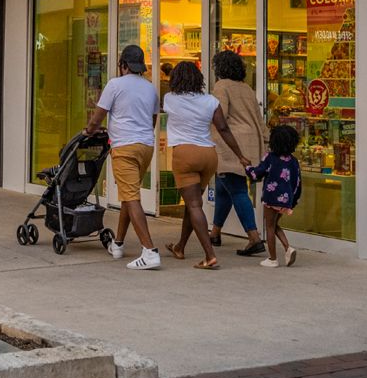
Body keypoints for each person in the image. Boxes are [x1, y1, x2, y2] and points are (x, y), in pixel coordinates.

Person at [163, 60, 250, 270]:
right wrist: (240, 155)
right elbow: (223, 129)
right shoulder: (210, 101)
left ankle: (209, 256)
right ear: (198, 79)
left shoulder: (169, 99)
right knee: (193, 205)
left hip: (185, 154)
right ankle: (180, 246)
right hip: (208, 156)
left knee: (193, 205)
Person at [86, 45, 162, 271]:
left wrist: (89, 130)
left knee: (130, 196)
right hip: (145, 146)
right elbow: (153, 120)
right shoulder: (151, 89)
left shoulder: (115, 85)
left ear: (123, 65)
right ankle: (117, 244)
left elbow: (98, 116)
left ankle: (149, 251)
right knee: (130, 195)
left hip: (124, 147)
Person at [207, 50, 266, 257]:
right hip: (251, 142)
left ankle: (254, 237)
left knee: (237, 189)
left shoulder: (221, 86)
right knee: (224, 187)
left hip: (231, 144)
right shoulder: (246, 88)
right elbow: (258, 119)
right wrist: (265, 142)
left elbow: (219, 115)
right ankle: (215, 232)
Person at [249, 123, 302, 267]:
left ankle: (272, 258)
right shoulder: (294, 161)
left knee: (269, 226)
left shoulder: (270, 157)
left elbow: (257, 173)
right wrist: (293, 200)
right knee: (274, 223)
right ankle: (288, 248)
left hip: (271, 198)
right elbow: (297, 182)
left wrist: (248, 167)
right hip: (286, 199)